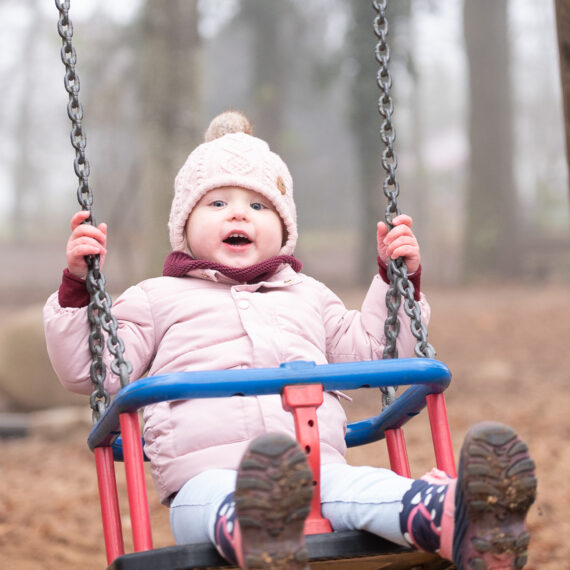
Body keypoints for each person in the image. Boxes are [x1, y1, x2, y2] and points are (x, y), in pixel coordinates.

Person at [44, 111, 536, 570]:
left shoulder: (308, 296)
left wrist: (397, 282)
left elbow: (377, 351)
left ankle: (463, 517)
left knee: (370, 489)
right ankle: (261, 535)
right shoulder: (156, 298)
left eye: (259, 205)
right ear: (184, 225)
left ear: (284, 228)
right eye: (217, 203)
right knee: (221, 505)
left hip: (318, 470)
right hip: (204, 480)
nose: (239, 216)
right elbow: (91, 370)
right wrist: (77, 289)